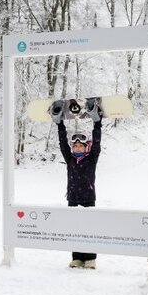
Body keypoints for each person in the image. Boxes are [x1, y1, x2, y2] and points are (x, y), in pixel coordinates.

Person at [52, 99, 102, 269]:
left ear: (85, 147)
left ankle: (89, 258)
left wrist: (97, 123)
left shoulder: (91, 160)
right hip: (73, 198)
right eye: (75, 146)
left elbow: (97, 143)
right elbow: (62, 145)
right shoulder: (70, 160)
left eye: (81, 146)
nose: (78, 148)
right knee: (74, 228)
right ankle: (77, 257)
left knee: (89, 228)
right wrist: (60, 125)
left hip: (88, 198)